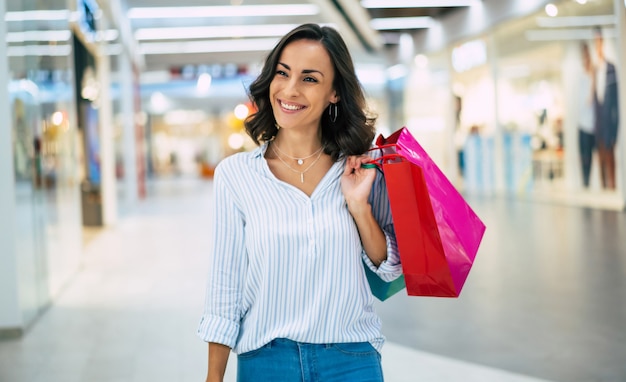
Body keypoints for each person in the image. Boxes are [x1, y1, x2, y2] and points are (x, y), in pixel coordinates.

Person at [197, 23, 402, 382]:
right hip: (266, 361)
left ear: (334, 93)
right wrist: (214, 378)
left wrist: (358, 207)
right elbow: (224, 287)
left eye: (309, 79)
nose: (290, 90)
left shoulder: (361, 169)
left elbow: (389, 267)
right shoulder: (235, 176)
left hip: (351, 359)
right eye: (282, 73)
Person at [592, 26, 619, 190]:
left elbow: (616, 103)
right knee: (600, 160)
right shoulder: (595, 70)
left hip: (609, 125)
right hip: (599, 125)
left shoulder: (611, 69)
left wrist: (615, 131)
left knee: (610, 161)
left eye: (599, 41)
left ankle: (613, 190)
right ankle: (604, 192)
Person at [577, 42, 595, 188]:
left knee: (590, 155)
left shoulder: (592, 73)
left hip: (592, 124)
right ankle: (585, 183)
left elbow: (591, 99)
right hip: (582, 123)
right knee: (583, 156)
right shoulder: (581, 74)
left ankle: (589, 183)